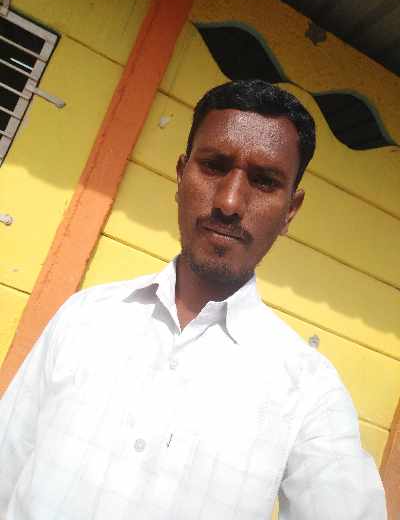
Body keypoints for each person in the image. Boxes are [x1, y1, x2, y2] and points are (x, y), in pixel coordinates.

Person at [0, 80, 386, 519]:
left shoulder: (310, 391)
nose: (229, 202)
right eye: (214, 166)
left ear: (290, 211)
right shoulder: (84, 318)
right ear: (181, 175)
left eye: (264, 181)